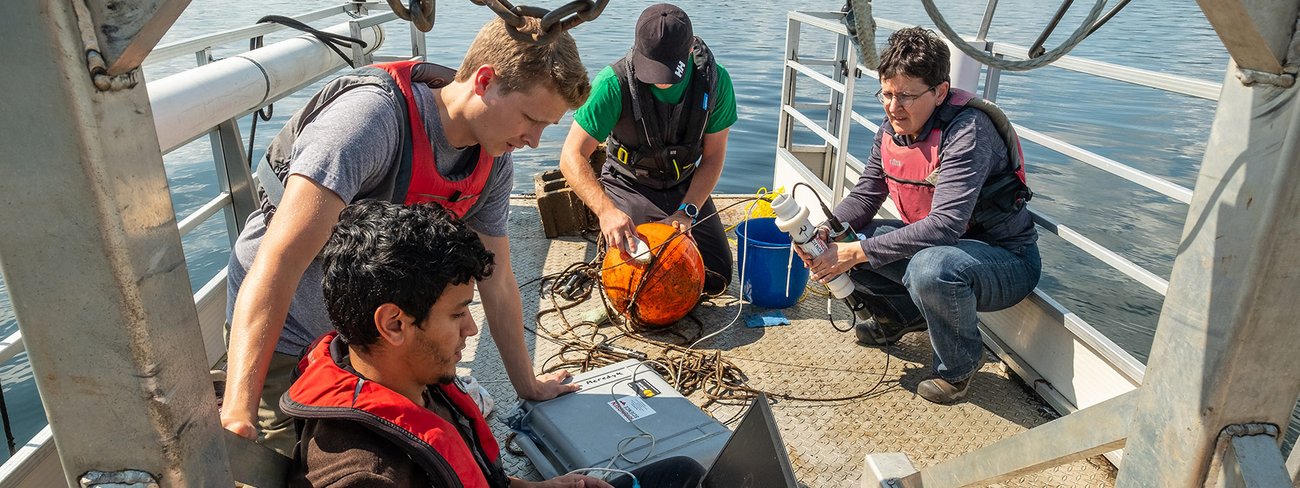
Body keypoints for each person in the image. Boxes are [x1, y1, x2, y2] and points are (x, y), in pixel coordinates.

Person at [222, 17, 591, 455]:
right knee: (286, 466)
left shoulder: (492, 163)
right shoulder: (367, 124)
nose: (534, 141)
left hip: (375, 345)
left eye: (546, 127)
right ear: (485, 81)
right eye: (531, 119)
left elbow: (499, 279)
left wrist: (527, 384)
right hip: (290, 334)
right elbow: (277, 262)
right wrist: (238, 411)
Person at [284, 201, 707, 487]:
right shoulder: (366, 474)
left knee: (684, 472)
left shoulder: (410, 379)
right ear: (394, 324)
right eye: (457, 313)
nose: (471, 328)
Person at [797, 27, 1040, 405]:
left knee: (929, 267)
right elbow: (866, 194)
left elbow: (946, 225)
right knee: (846, 239)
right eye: (887, 94)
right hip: (947, 248)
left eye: (907, 96)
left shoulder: (968, 132)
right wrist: (828, 232)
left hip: (1006, 259)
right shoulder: (891, 128)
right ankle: (898, 315)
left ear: (940, 92)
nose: (894, 107)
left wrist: (857, 253)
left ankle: (959, 367)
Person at [558, 3, 737, 299]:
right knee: (642, 278)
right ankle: (610, 243)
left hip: (684, 184)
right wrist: (606, 212)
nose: (660, 79)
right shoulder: (612, 84)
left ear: (690, 49)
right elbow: (570, 155)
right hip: (631, 184)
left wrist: (687, 210)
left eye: (668, 70)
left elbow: (714, 156)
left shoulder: (716, 82)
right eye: (652, 69)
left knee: (715, 279)